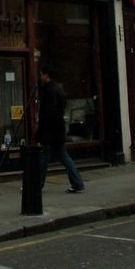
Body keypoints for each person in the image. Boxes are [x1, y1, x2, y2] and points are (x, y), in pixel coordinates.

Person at [37, 65, 84, 193]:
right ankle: (77, 182)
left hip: (49, 131)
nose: (40, 76)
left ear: (46, 75)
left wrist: (41, 129)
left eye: (41, 74)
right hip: (57, 130)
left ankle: (37, 185)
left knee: (43, 158)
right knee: (63, 156)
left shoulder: (49, 91)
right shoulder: (57, 89)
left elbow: (49, 113)